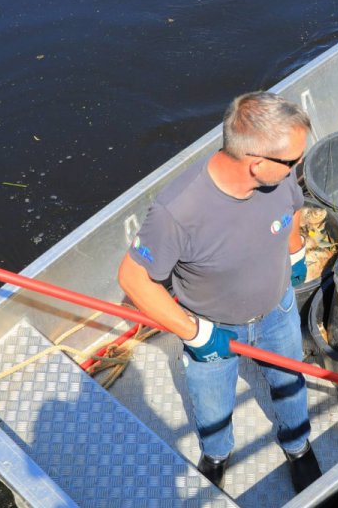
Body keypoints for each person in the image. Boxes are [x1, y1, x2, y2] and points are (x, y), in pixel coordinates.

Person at [117, 91, 320, 492]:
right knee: (211, 405)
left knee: (291, 383)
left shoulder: (277, 178)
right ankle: (216, 453)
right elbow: (133, 278)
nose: (298, 165)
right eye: (293, 161)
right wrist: (196, 333)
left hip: (277, 312)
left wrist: (295, 251)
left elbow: (293, 205)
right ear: (256, 162)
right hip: (214, 327)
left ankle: (297, 445)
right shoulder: (179, 211)